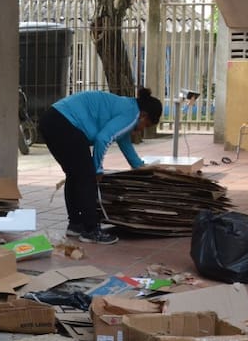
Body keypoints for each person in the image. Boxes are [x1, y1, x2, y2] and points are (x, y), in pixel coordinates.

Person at [38, 87, 163, 245]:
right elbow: (103, 138)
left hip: (52, 119)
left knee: (75, 174)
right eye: (146, 125)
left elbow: (124, 143)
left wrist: (140, 167)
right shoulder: (132, 114)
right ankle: (91, 230)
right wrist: (97, 168)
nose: (141, 130)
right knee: (87, 177)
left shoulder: (127, 107)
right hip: (66, 123)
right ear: (143, 115)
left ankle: (76, 224)